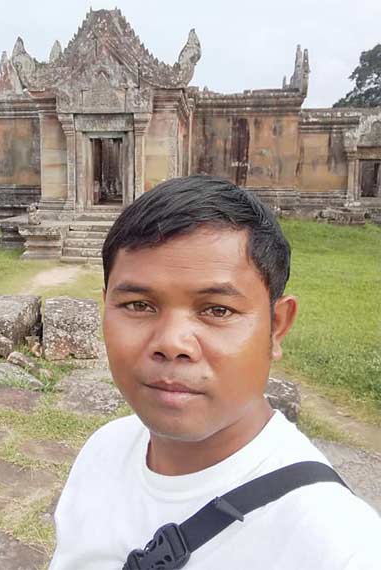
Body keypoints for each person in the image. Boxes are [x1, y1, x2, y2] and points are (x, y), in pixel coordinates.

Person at [49, 175, 380, 569]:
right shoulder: (103, 450)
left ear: (276, 326)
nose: (172, 343)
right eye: (138, 305)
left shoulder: (339, 546)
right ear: (104, 307)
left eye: (217, 310)